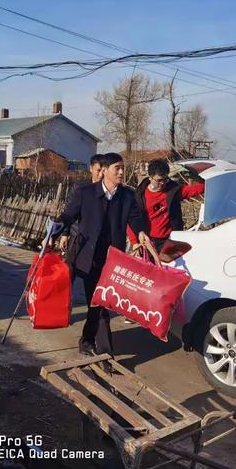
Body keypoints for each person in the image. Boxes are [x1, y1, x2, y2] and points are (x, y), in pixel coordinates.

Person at [54, 152, 150, 356]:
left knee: (100, 301)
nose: (122, 172)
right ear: (104, 170)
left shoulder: (126, 196)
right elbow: (68, 215)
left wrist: (141, 231)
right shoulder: (86, 193)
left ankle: (88, 341)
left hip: (112, 258)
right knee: (98, 301)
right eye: (118, 168)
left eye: (123, 168)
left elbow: (135, 218)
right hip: (89, 257)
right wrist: (56, 229)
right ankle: (103, 349)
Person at [128, 159, 204, 252]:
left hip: (170, 240)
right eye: (159, 180)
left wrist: (210, 182)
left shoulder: (173, 191)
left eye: (165, 179)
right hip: (147, 241)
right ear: (150, 177)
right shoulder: (139, 196)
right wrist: (134, 242)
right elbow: (132, 221)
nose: (162, 183)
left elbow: (194, 190)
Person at [58, 154, 104, 255]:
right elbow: (68, 212)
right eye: (98, 170)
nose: (101, 175)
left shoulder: (108, 192)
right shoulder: (80, 188)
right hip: (78, 235)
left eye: (103, 171)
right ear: (91, 168)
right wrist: (65, 234)